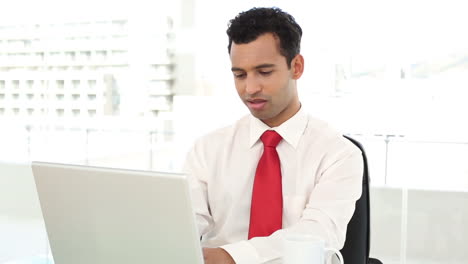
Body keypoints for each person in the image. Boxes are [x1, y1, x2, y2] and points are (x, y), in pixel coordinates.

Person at [183, 7, 363, 264]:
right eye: (239, 75)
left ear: (296, 67)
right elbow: (186, 223)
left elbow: (317, 234)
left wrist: (230, 257)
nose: (250, 88)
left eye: (264, 72)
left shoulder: (338, 154)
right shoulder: (207, 149)